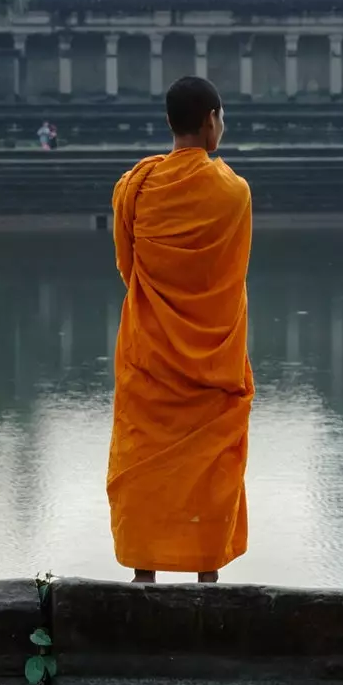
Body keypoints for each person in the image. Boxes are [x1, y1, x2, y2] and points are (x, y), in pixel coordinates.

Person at [108, 75, 253, 584]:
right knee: (206, 465)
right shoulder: (234, 192)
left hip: (151, 355)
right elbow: (230, 275)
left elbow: (129, 270)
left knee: (147, 460)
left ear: (170, 123)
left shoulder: (136, 188)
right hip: (212, 358)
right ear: (212, 120)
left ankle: (143, 575)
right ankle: (206, 576)